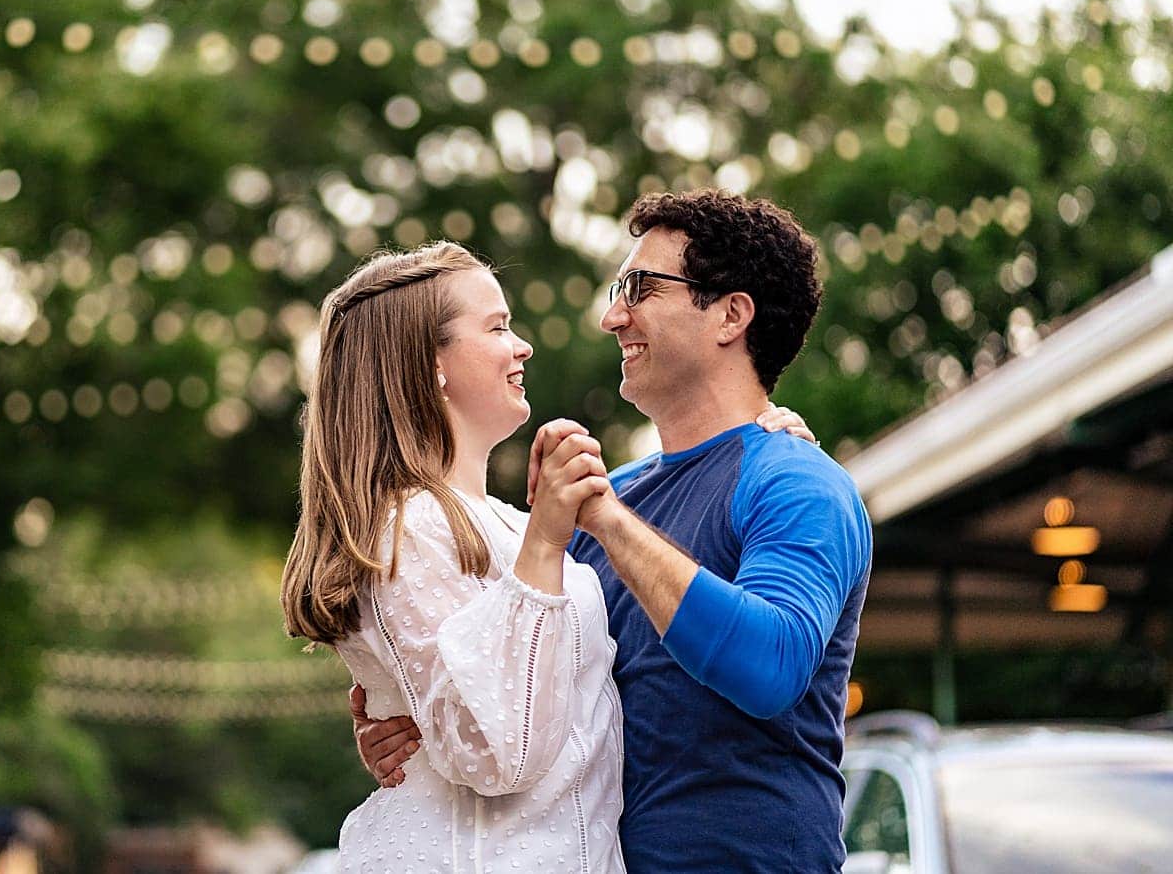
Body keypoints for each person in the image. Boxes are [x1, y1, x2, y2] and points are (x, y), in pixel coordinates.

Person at [360, 190, 873, 873]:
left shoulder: (799, 485)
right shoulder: (606, 501)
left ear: (731, 314)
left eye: (641, 288)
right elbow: (520, 675)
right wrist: (403, 706)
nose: (612, 316)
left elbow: (769, 667)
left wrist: (604, 521)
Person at [280, 242, 626, 872]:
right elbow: (498, 754)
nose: (521, 346)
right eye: (496, 327)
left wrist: (759, 433)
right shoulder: (408, 529)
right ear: (428, 363)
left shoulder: (500, 524)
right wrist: (547, 542)